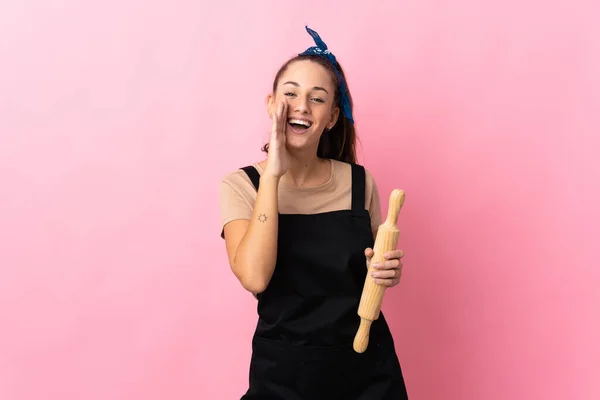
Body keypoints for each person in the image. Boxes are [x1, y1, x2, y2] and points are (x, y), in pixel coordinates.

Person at [219, 26, 409, 399]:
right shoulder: (242, 185)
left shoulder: (359, 183)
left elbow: (369, 271)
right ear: (272, 105)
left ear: (333, 117)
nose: (302, 105)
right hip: (284, 376)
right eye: (290, 94)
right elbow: (255, 278)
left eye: (317, 99)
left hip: (366, 371)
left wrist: (386, 272)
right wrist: (272, 174)